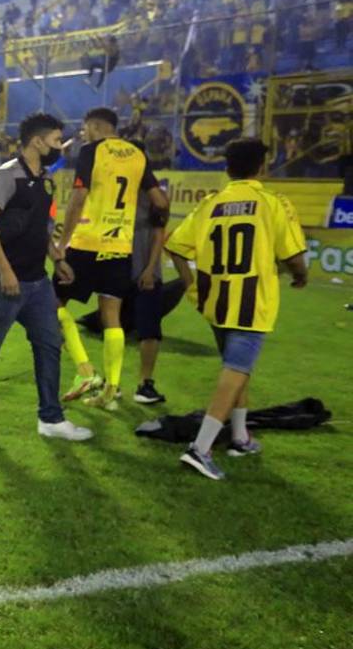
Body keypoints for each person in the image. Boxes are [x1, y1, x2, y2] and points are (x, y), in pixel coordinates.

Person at [165, 139, 308, 480]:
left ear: (226, 169)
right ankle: (200, 449)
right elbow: (294, 258)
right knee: (235, 372)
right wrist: (300, 276)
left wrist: (191, 287)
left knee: (238, 370)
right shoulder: (272, 203)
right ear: (262, 167)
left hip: (215, 301)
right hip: (252, 302)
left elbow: (176, 248)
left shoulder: (210, 204)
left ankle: (240, 438)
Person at [0, 112, 92, 441]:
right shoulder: (8, 175)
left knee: (49, 343)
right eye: (57, 140)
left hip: (37, 281)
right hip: (4, 281)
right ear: (37, 141)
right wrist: (5, 270)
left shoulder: (45, 179)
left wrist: (56, 257)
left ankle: (51, 419)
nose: (60, 146)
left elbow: (39, 226)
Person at [56, 108, 169, 410]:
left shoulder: (92, 150)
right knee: (112, 317)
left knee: (50, 304)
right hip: (120, 248)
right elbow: (160, 200)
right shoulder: (136, 155)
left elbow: (78, 199)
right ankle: (111, 391)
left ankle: (85, 372)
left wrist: (63, 243)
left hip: (86, 242)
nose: (83, 134)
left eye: (85, 129)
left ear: (94, 126)